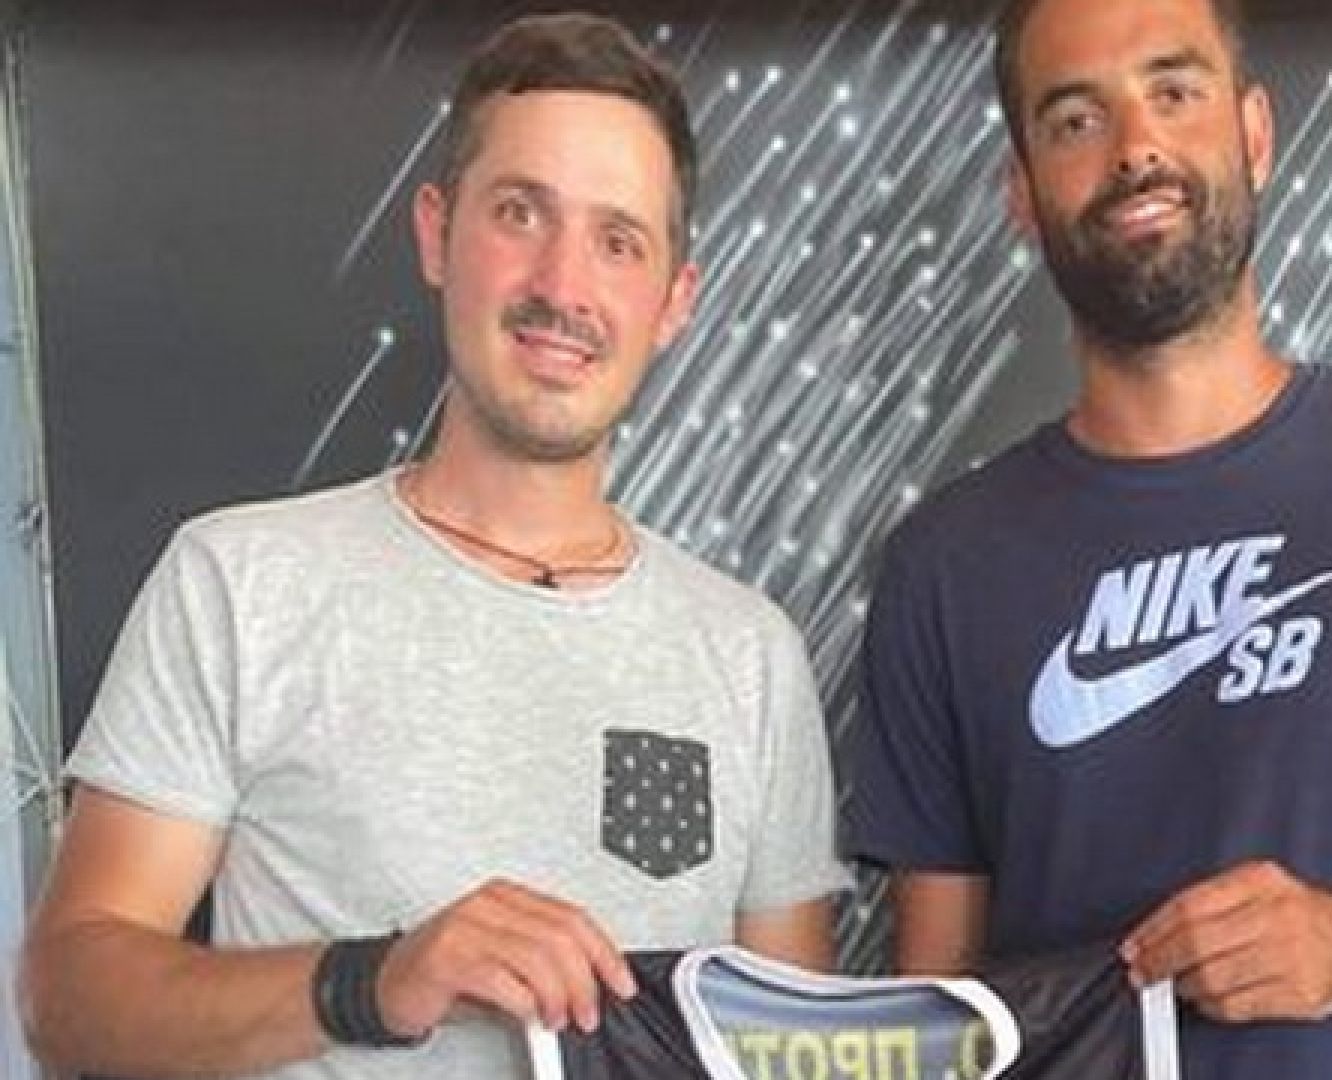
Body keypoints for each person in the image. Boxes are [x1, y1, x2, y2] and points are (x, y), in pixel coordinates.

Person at [19, 13, 845, 1080]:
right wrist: (372, 982)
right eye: (519, 213)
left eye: (618, 240)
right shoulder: (237, 584)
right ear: (434, 233)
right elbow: (68, 1001)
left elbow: (794, 1053)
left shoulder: (751, 656)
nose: (563, 286)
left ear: (674, 301)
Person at [848, 0, 1332, 1076]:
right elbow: (932, 1022)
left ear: (1255, 133)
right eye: (1076, 120)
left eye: (1174, 92)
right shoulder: (942, 567)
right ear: (1022, 195)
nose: (1136, 148)